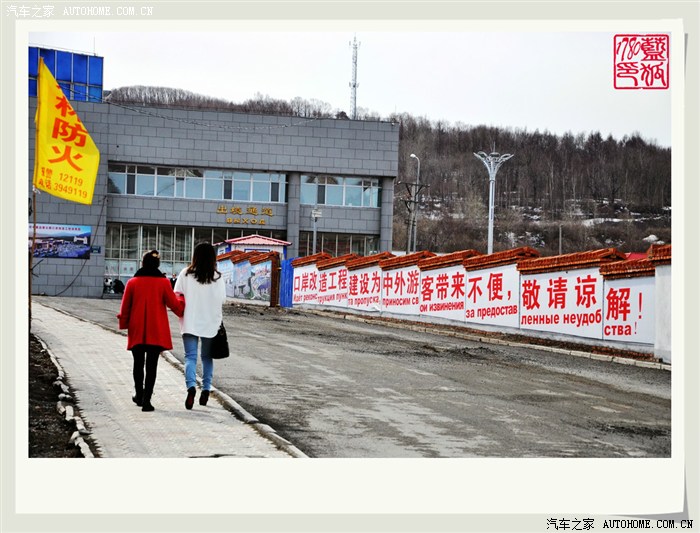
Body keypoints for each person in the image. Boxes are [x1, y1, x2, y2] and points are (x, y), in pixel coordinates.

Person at [117, 250, 185, 412]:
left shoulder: (132, 282)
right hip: (156, 330)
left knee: (138, 363)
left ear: (142, 263)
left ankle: (139, 395)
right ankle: (147, 401)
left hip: (137, 329)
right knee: (152, 365)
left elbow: (125, 307)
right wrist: (182, 300)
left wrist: (124, 324)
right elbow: (174, 305)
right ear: (158, 265)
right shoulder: (164, 283)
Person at [174, 242, 227, 410]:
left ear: (195, 256)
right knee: (206, 358)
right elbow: (222, 299)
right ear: (212, 258)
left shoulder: (185, 274)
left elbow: (177, 295)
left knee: (190, 357)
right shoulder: (217, 276)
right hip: (210, 323)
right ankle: (206, 389)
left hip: (190, 321)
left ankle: (191, 387)